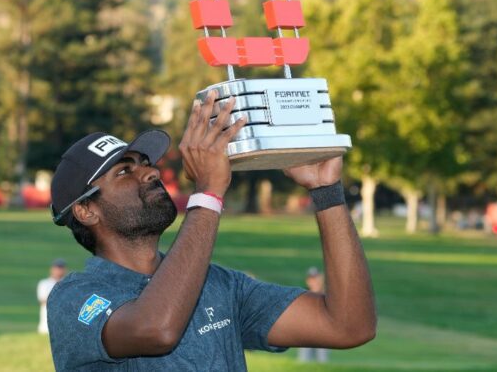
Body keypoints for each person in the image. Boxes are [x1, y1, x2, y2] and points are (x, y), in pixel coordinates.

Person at [46, 91, 377, 371]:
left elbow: (350, 326)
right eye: (124, 172)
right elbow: (156, 328)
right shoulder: (73, 298)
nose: (149, 172)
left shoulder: (220, 285)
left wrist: (326, 191)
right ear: (86, 210)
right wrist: (207, 193)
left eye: (145, 163)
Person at [297, 267, 329, 363]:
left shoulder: (326, 296)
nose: (314, 282)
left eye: (316, 278)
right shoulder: (304, 295)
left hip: (323, 332)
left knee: (322, 361)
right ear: (308, 281)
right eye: (312, 279)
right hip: (306, 332)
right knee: (303, 360)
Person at [37, 258, 68, 334]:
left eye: (61, 268)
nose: (59, 271)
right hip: (47, 324)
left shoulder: (68, 283)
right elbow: (43, 300)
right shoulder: (44, 283)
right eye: (57, 268)